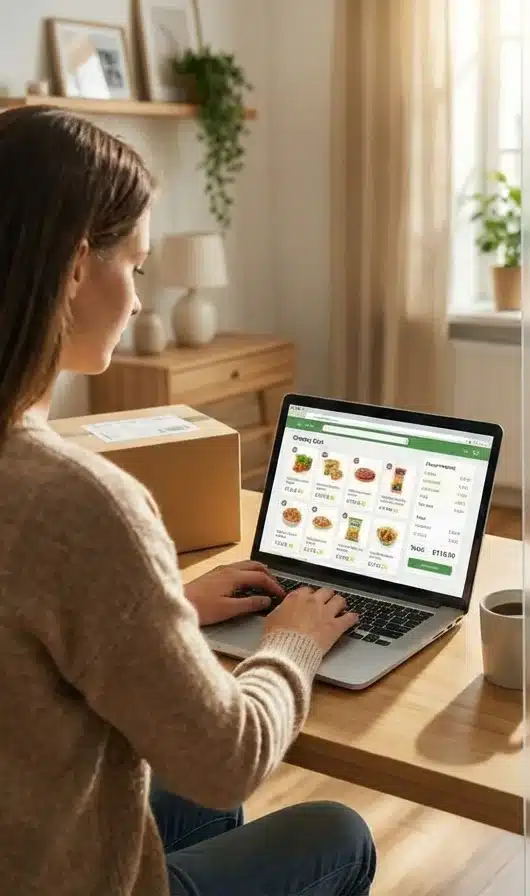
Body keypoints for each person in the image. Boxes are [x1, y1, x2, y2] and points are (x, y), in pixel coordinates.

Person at [0, 107, 376, 894]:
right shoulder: (78, 501)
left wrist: (163, 606)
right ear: (74, 267)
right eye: (135, 267)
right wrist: (295, 640)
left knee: (197, 804)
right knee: (337, 833)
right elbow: (226, 754)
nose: (139, 300)